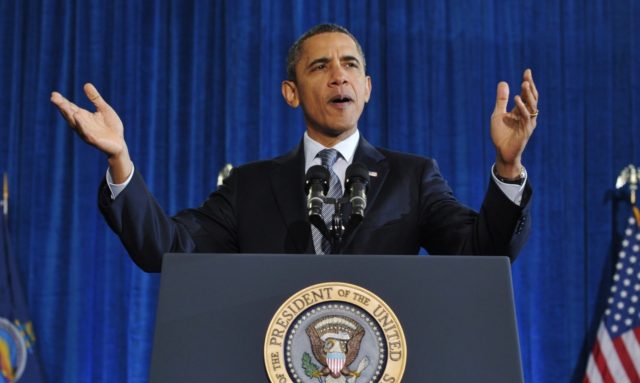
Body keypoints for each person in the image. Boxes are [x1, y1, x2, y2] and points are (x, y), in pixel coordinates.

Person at [50, 23, 537, 273]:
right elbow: (167, 251)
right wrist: (121, 161)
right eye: (319, 66)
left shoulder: (413, 178)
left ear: (367, 87)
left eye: (349, 65)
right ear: (291, 92)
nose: (338, 75)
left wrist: (508, 166)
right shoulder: (248, 187)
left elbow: (482, 253)